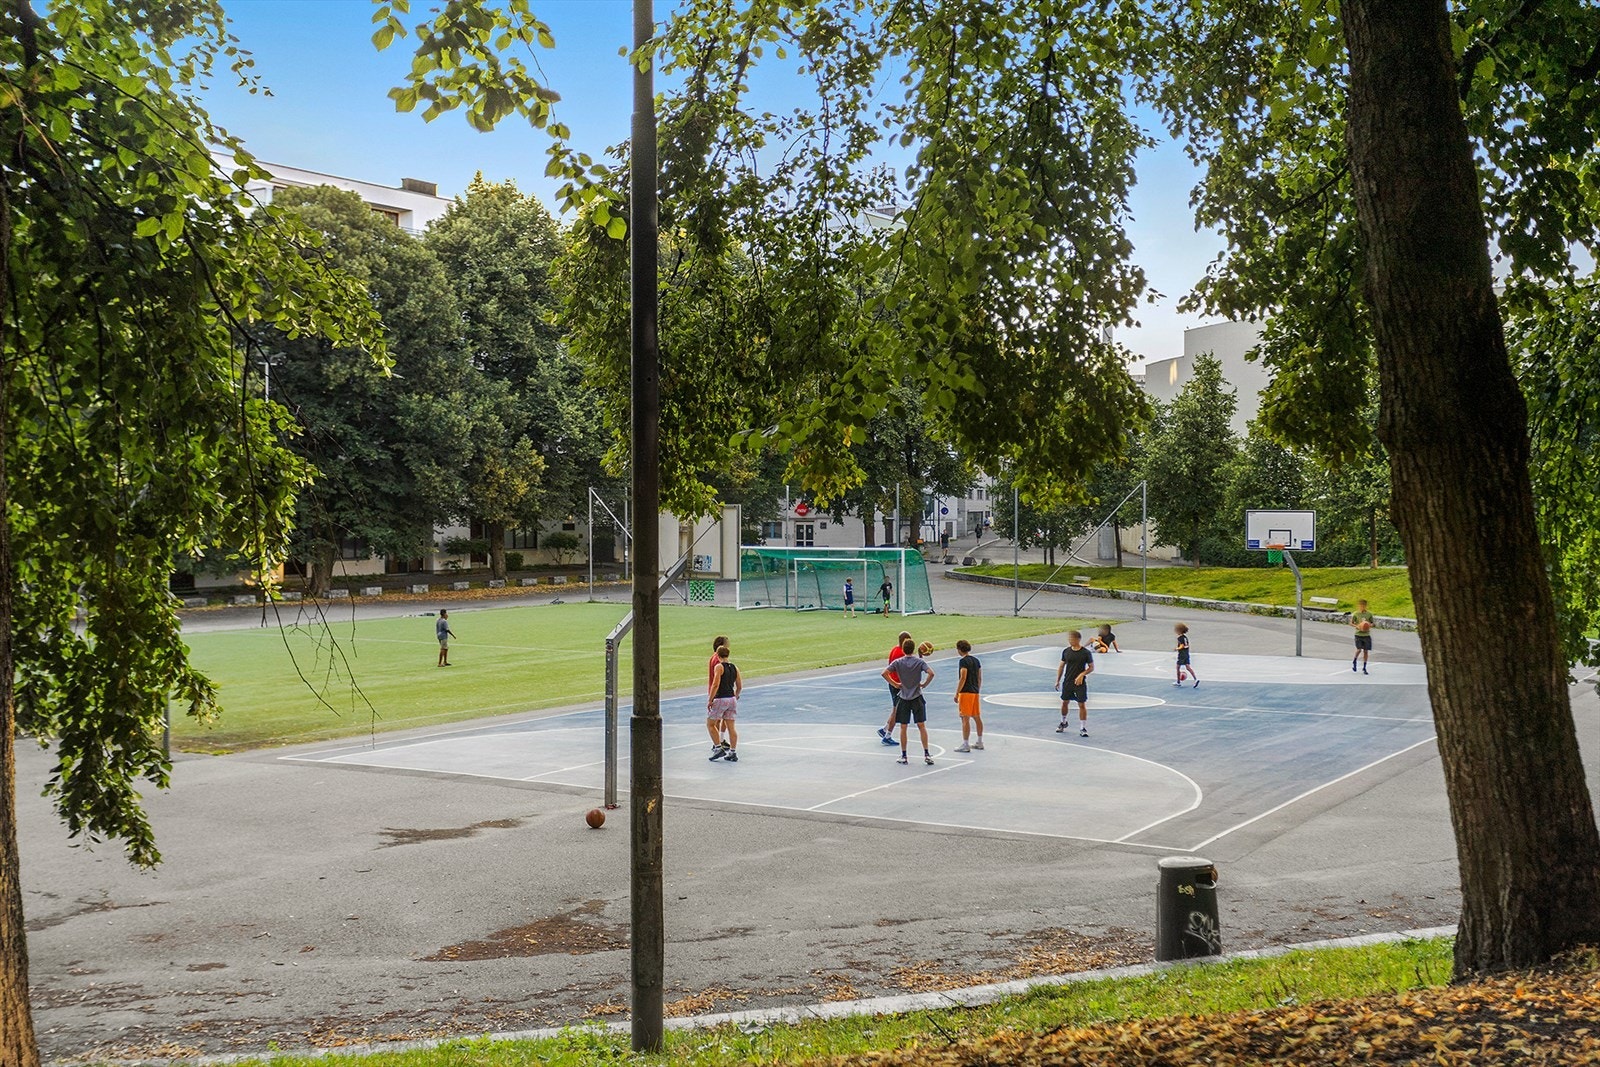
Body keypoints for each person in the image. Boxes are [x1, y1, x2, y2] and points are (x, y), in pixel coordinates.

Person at [882, 637, 935, 765]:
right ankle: (927, 754)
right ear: (913, 648)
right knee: (921, 726)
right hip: (917, 697)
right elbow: (931, 673)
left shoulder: (898, 662)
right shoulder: (919, 662)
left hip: (904, 697)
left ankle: (904, 756)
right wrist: (924, 684)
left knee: (903, 727)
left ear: (903, 649)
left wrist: (895, 684)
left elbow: (884, 673)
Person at [1054, 630, 1094, 737]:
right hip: (1068, 682)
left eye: (1072, 639)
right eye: (1069, 639)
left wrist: (1082, 674)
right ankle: (1063, 722)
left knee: (1081, 704)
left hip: (1079, 683)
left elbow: (1091, 667)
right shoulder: (1066, 651)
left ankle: (1083, 727)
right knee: (1065, 702)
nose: (1070, 641)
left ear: (1078, 639)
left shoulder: (1085, 653)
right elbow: (1061, 666)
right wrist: (1058, 680)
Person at [877, 631, 912, 746]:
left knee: (895, 709)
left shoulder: (895, 650)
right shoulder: (900, 653)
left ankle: (885, 729)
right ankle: (887, 736)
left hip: (894, 683)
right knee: (897, 711)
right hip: (897, 684)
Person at [707, 644, 741, 762]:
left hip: (721, 698)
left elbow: (715, 684)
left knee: (711, 724)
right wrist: (735, 697)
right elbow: (739, 686)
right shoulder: (735, 667)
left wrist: (710, 699)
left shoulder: (719, 667)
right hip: (732, 699)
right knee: (731, 727)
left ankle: (718, 747)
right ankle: (732, 752)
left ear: (718, 655)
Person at [953, 639, 983, 753]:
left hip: (966, 692)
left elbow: (963, 677)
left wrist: (957, 693)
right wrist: (977, 689)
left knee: (965, 718)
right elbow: (979, 677)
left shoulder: (963, 662)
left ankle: (965, 744)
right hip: (975, 691)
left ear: (959, 649)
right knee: (976, 716)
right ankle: (980, 741)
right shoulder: (976, 661)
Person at [1350, 599, 1376, 674]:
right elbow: (1351, 623)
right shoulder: (1356, 614)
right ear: (1359, 606)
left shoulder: (1369, 614)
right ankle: (1355, 660)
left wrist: (1369, 625)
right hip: (1358, 634)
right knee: (1359, 649)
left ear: (1365, 606)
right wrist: (1357, 626)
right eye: (1361, 605)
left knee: (1366, 651)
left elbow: (1373, 623)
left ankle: (1364, 667)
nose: (1362, 607)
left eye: (1363, 605)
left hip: (1366, 635)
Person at [1174, 623, 1198, 687]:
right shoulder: (1185, 638)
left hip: (1182, 655)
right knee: (1188, 667)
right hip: (1186, 654)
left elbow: (1182, 645)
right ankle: (1195, 679)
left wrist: (1177, 648)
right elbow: (1186, 645)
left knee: (1178, 668)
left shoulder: (1180, 638)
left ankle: (1178, 682)